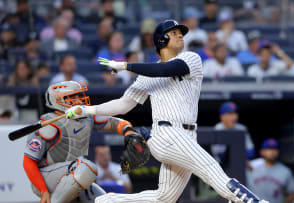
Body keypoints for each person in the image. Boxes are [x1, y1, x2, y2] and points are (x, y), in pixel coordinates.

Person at [67, 19, 268, 203]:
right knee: (211, 169)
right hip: (167, 134)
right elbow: (123, 105)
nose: (180, 35)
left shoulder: (191, 59)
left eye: (181, 32)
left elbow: (165, 70)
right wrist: (86, 109)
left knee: (164, 198)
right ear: (162, 40)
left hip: (188, 135)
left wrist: (126, 65)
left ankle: (104, 201)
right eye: (174, 33)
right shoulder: (146, 74)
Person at [22, 80, 146, 202]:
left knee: (105, 200)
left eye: (78, 95)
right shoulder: (49, 125)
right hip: (47, 179)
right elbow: (28, 162)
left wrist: (128, 131)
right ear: (58, 101)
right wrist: (43, 191)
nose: (78, 99)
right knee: (86, 167)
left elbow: (115, 122)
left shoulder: (85, 117)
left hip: (74, 176)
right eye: (72, 96)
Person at [247, 138, 294, 203]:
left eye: (274, 149)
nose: (272, 152)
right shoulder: (251, 166)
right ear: (262, 152)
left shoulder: (285, 171)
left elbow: (292, 193)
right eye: (268, 149)